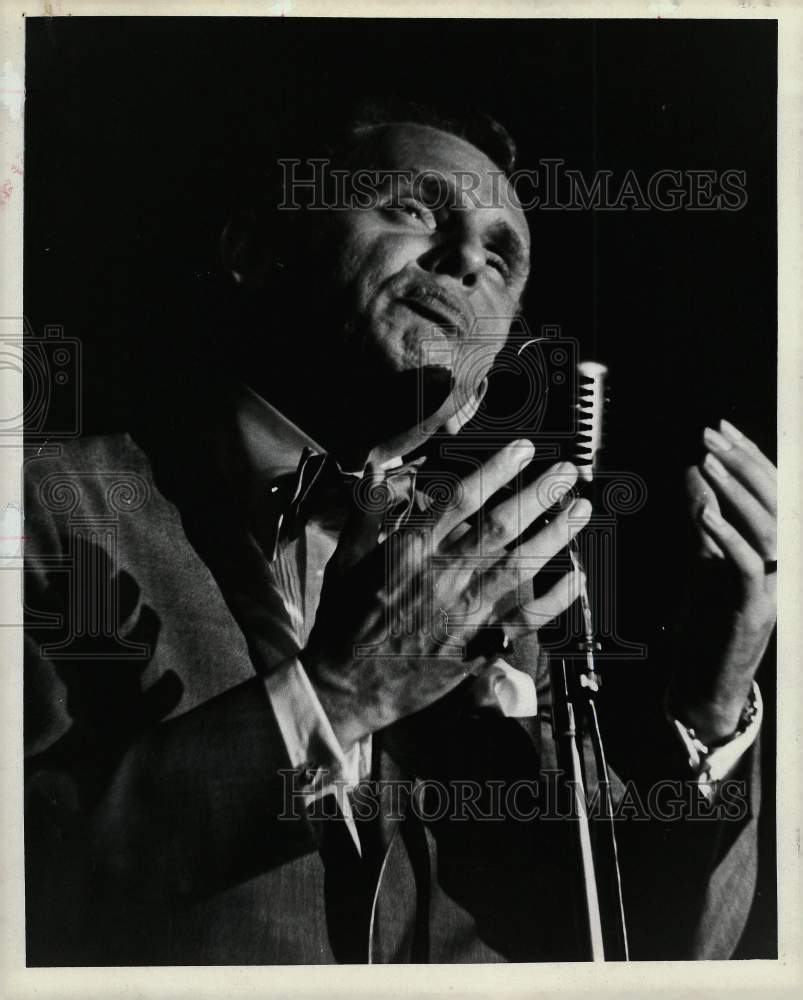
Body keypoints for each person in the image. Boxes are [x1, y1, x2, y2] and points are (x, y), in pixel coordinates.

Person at [23, 101, 777, 965]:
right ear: (254, 250)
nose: (464, 260)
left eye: (501, 257)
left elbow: (650, 954)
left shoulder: (488, 587)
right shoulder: (46, 505)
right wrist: (342, 693)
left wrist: (711, 703)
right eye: (413, 209)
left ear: (489, 367)